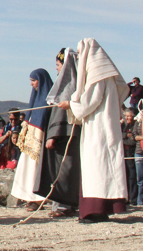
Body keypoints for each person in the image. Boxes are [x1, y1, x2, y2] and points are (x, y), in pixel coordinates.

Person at [57, 38, 129, 222]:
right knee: (102, 166)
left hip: (99, 128)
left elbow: (90, 101)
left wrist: (71, 105)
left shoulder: (98, 75)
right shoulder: (107, 76)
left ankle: (95, 210)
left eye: (81, 55)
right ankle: (102, 208)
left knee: (97, 168)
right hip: (103, 126)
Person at [36, 48, 81, 217]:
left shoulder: (67, 86)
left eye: (58, 65)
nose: (56, 68)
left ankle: (63, 205)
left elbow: (61, 113)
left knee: (62, 171)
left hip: (64, 135)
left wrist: (53, 134)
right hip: (70, 134)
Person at [10, 69, 53, 211]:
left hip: (42, 141)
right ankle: (28, 197)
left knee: (37, 170)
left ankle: (38, 199)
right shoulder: (35, 100)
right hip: (30, 143)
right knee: (27, 168)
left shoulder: (49, 98)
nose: (31, 84)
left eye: (33, 81)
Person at [122, 108, 138, 203]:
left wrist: (124, 139)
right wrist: (125, 136)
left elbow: (133, 140)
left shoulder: (136, 125)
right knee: (126, 175)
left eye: (129, 116)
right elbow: (120, 135)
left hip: (132, 152)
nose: (127, 118)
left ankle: (134, 198)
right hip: (125, 153)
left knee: (133, 176)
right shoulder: (124, 125)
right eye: (126, 116)